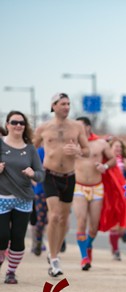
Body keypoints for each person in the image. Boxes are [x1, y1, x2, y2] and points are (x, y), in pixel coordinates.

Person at [33, 93, 90, 277]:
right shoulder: (43, 128)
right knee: (55, 215)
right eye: (63, 104)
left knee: (64, 220)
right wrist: (32, 171)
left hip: (69, 176)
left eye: (68, 104)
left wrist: (78, 150)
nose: (67, 107)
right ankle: (54, 257)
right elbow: (31, 150)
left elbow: (87, 151)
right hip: (49, 175)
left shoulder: (77, 127)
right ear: (53, 106)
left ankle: (54, 253)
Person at [0, 111, 45, 284]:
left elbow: (41, 174)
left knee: (18, 237)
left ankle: (11, 272)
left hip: (23, 198)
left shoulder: (30, 148)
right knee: (2, 237)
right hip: (2, 197)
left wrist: (33, 173)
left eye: (21, 122)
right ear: (7, 125)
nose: (18, 125)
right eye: (14, 122)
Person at [73, 116, 115, 270]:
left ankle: (88, 245)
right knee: (81, 221)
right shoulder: (73, 144)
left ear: (88, 127)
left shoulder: (100, 143)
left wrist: (105, 166)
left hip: (97, 187)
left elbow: (113, 160)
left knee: (93, 226)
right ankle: (84, 257)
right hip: (79, 187)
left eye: (80, 126)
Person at [108, 137, 126, 261]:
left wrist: (122, 183)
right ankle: (116, 250)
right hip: (110, 195)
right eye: (116, 147)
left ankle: (123, 231)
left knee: (123, 223)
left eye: (120, 147)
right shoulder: (106, 161)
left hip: (124, 194)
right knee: (113, 224)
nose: (118, 149)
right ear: (110, 148)